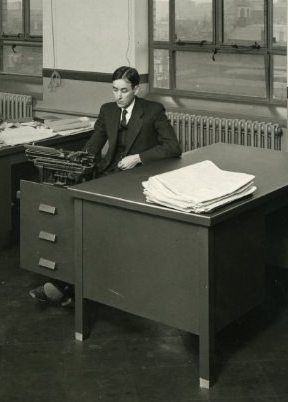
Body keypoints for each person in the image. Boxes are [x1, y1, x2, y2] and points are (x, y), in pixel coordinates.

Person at [30, 65, 182, 306]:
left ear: (136, 89)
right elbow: (93, 145)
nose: (118, 96)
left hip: (134, 180)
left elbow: (173, 147)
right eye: (114, 90)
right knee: (78, 220)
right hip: (106, 175)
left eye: (123, 91)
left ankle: (67, 286)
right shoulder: (108, 110)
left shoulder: (153, 111)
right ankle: (68, 283)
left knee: (97, 228)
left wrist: (139, 158)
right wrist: (75, 162)